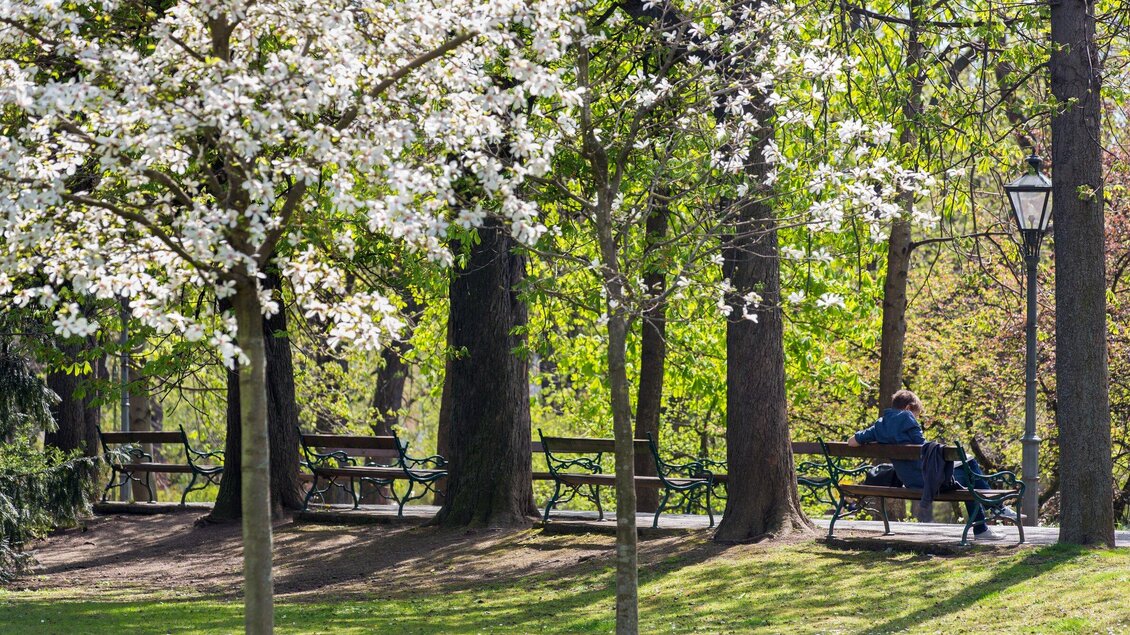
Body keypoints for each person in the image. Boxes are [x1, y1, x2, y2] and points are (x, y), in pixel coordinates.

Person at [848, 389, 1017, 540]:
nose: (916, 418)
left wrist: (878, 438)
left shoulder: (879, 426)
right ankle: (992, 513)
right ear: (908, 408)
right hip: (928, 480)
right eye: (917, 414)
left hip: (910, 481)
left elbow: (852, 442)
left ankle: (992, 513)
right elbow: (923, 448)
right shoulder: (907, 418)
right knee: (970, 468)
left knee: (968, 472)